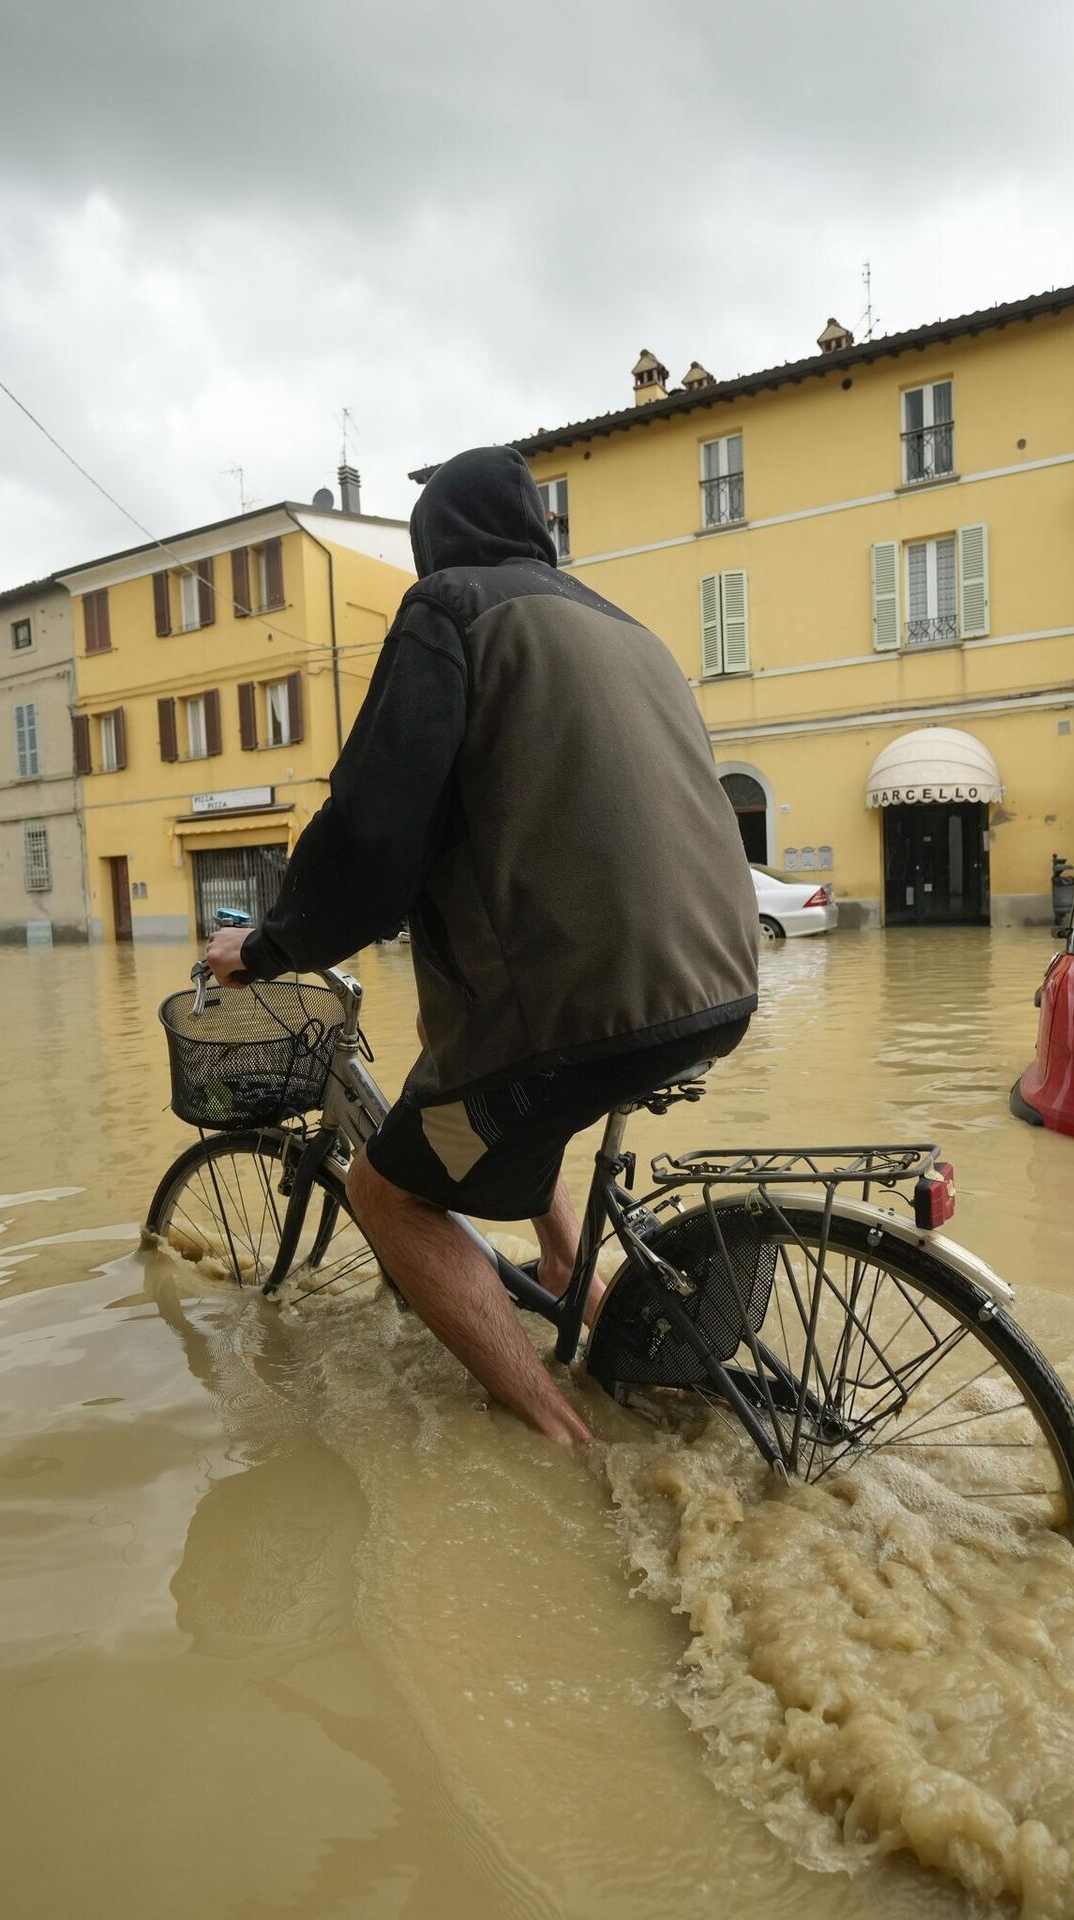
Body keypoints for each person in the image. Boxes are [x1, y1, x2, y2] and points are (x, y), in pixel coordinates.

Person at [204, 446, 762, 1447]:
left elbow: (375, 826)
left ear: (434, 542)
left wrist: (272, 946)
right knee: (495, 1079)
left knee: (387, 1190)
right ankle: (568, 1273)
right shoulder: (626, 628)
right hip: (717, 979)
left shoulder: (449, 608)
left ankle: (558, 1437)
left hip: (580, 1003)